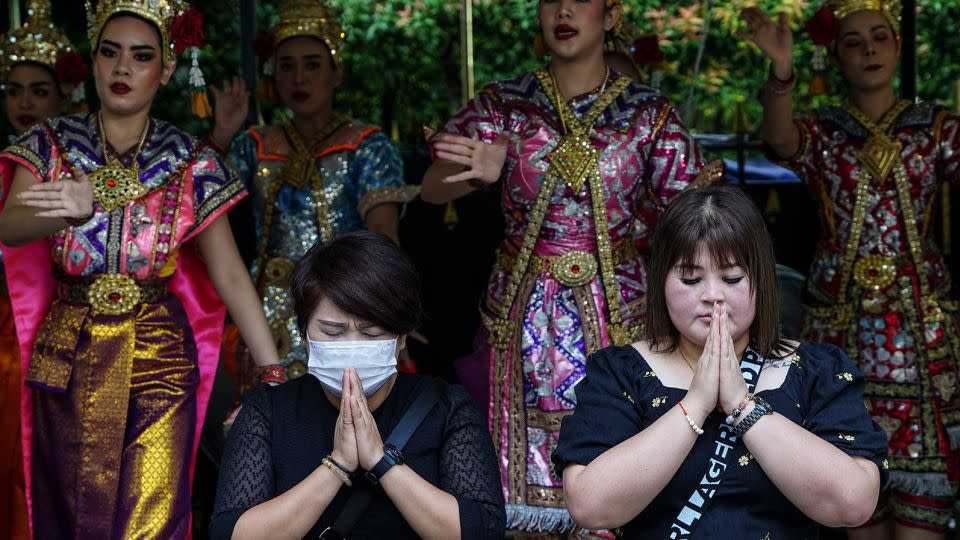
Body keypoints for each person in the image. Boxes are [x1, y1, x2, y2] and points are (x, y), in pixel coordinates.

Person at [421, 0, 718, 534]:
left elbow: (698, 214)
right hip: (522, 316)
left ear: (609, 15)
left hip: (620, 313)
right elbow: (430, 185)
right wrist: (479, 174)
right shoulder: (505, 103)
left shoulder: (648, 114)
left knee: (621, 475)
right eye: (549, 0)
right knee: (516, 485)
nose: (562, 10)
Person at [0, 1, 282, 536]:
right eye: (110, 53)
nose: (122, 68)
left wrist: (272, 372)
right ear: (94, 60)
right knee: (70, 512)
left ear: (168, 70)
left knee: (149, 518)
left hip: (158, 354)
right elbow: (9, 224)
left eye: (141, 56)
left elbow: (229, 275)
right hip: (68, 353)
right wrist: (64, 208)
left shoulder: (191, 160)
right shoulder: (50, 143)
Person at [552, 185, 887, 539]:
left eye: (731, 278)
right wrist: (695, 404)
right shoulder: (621, 372)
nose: (712, 296)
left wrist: (741, 405)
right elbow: (589, 505)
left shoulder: (817, 370)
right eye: (690, 278)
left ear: (761, 279)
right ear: (661, 281)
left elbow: (855, 503)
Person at [741, 1, 960, 536]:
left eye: (880, 38)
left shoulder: (936, 129)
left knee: (924, 499)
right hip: (841, 325)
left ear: (898, 47)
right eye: (855, 42)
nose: (869, 50)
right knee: (850, 495)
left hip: (922, 330)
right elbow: (780, 140)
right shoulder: (823, 130)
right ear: (835, 56)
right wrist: (781, 70)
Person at [210, 230, 505, 539]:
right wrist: (338, 464)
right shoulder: (268, 410)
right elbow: (230, 533)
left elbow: (483, 530)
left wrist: (381, 461)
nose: (351, 347)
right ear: (304, 334)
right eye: (333, 332)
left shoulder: (446, 407)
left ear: (402, 337)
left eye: (371, 334)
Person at [208, 0, 418, 384]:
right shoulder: (253, 144)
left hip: (344, 305)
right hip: (265, 309)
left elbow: (383, 233)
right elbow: (199, 205)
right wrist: (221, 134)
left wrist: (389, 302)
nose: (299, 78)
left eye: (312, 64)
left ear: (337, 72)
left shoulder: (366, 145)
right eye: (286, 66)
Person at [0, 2, 86, 538]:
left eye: (38, 90)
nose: (24, 102)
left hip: (64, 333)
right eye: (13, 90)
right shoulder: (6, 162)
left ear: (64, 95)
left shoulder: (84, 167)